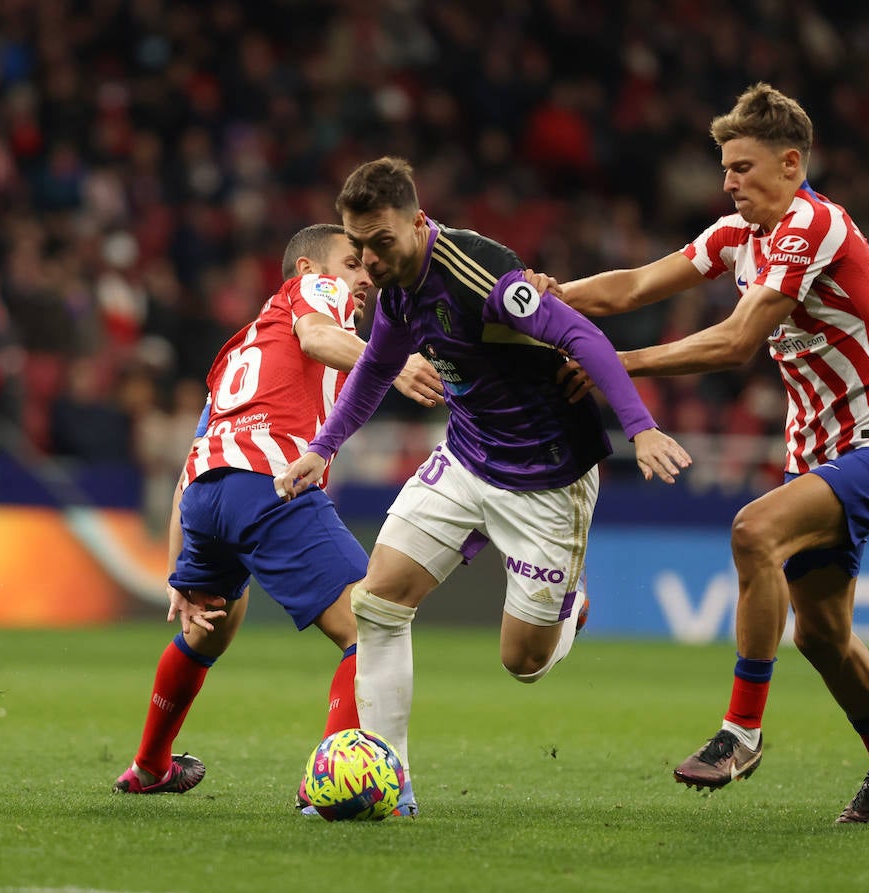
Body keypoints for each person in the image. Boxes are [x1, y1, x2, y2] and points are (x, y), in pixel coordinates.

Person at [550, 83, 869, 823]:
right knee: (822, 635)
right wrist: (544, 296)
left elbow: (735, 342)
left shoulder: (814, 225)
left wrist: (616, 365)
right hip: (815, 455)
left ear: (791, 164)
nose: (728, 183)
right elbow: (632, 285)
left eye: (743, 168)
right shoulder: (737, 236)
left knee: (753, 530)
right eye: (725, 167)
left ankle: (741, 733)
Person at [275, 156, 691, 818]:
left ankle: (568, 609)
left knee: (522, 662)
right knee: (377, 602)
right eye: (360, 248)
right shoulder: (395, 289)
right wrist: (321, 447)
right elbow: (376, 369)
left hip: (548, 479)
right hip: (468, 458)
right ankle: (393, 782)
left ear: (417, 221)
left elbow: (581, 333)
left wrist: (640, 428)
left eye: (382, 243)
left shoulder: (480, 274)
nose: (371, 262)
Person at [113, 223, 442, 796]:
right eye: (351, 263)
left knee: (209, 630)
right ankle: (329, 784)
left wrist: (177, 573)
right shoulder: (316, 293)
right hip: (268, 484)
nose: (364, 278)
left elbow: (193, 458)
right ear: (308, 270)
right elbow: (317, 337)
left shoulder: (238, 349)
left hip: (206, 496)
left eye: (368, 268)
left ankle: (149, 766)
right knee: (372, 626)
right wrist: (396, 364)